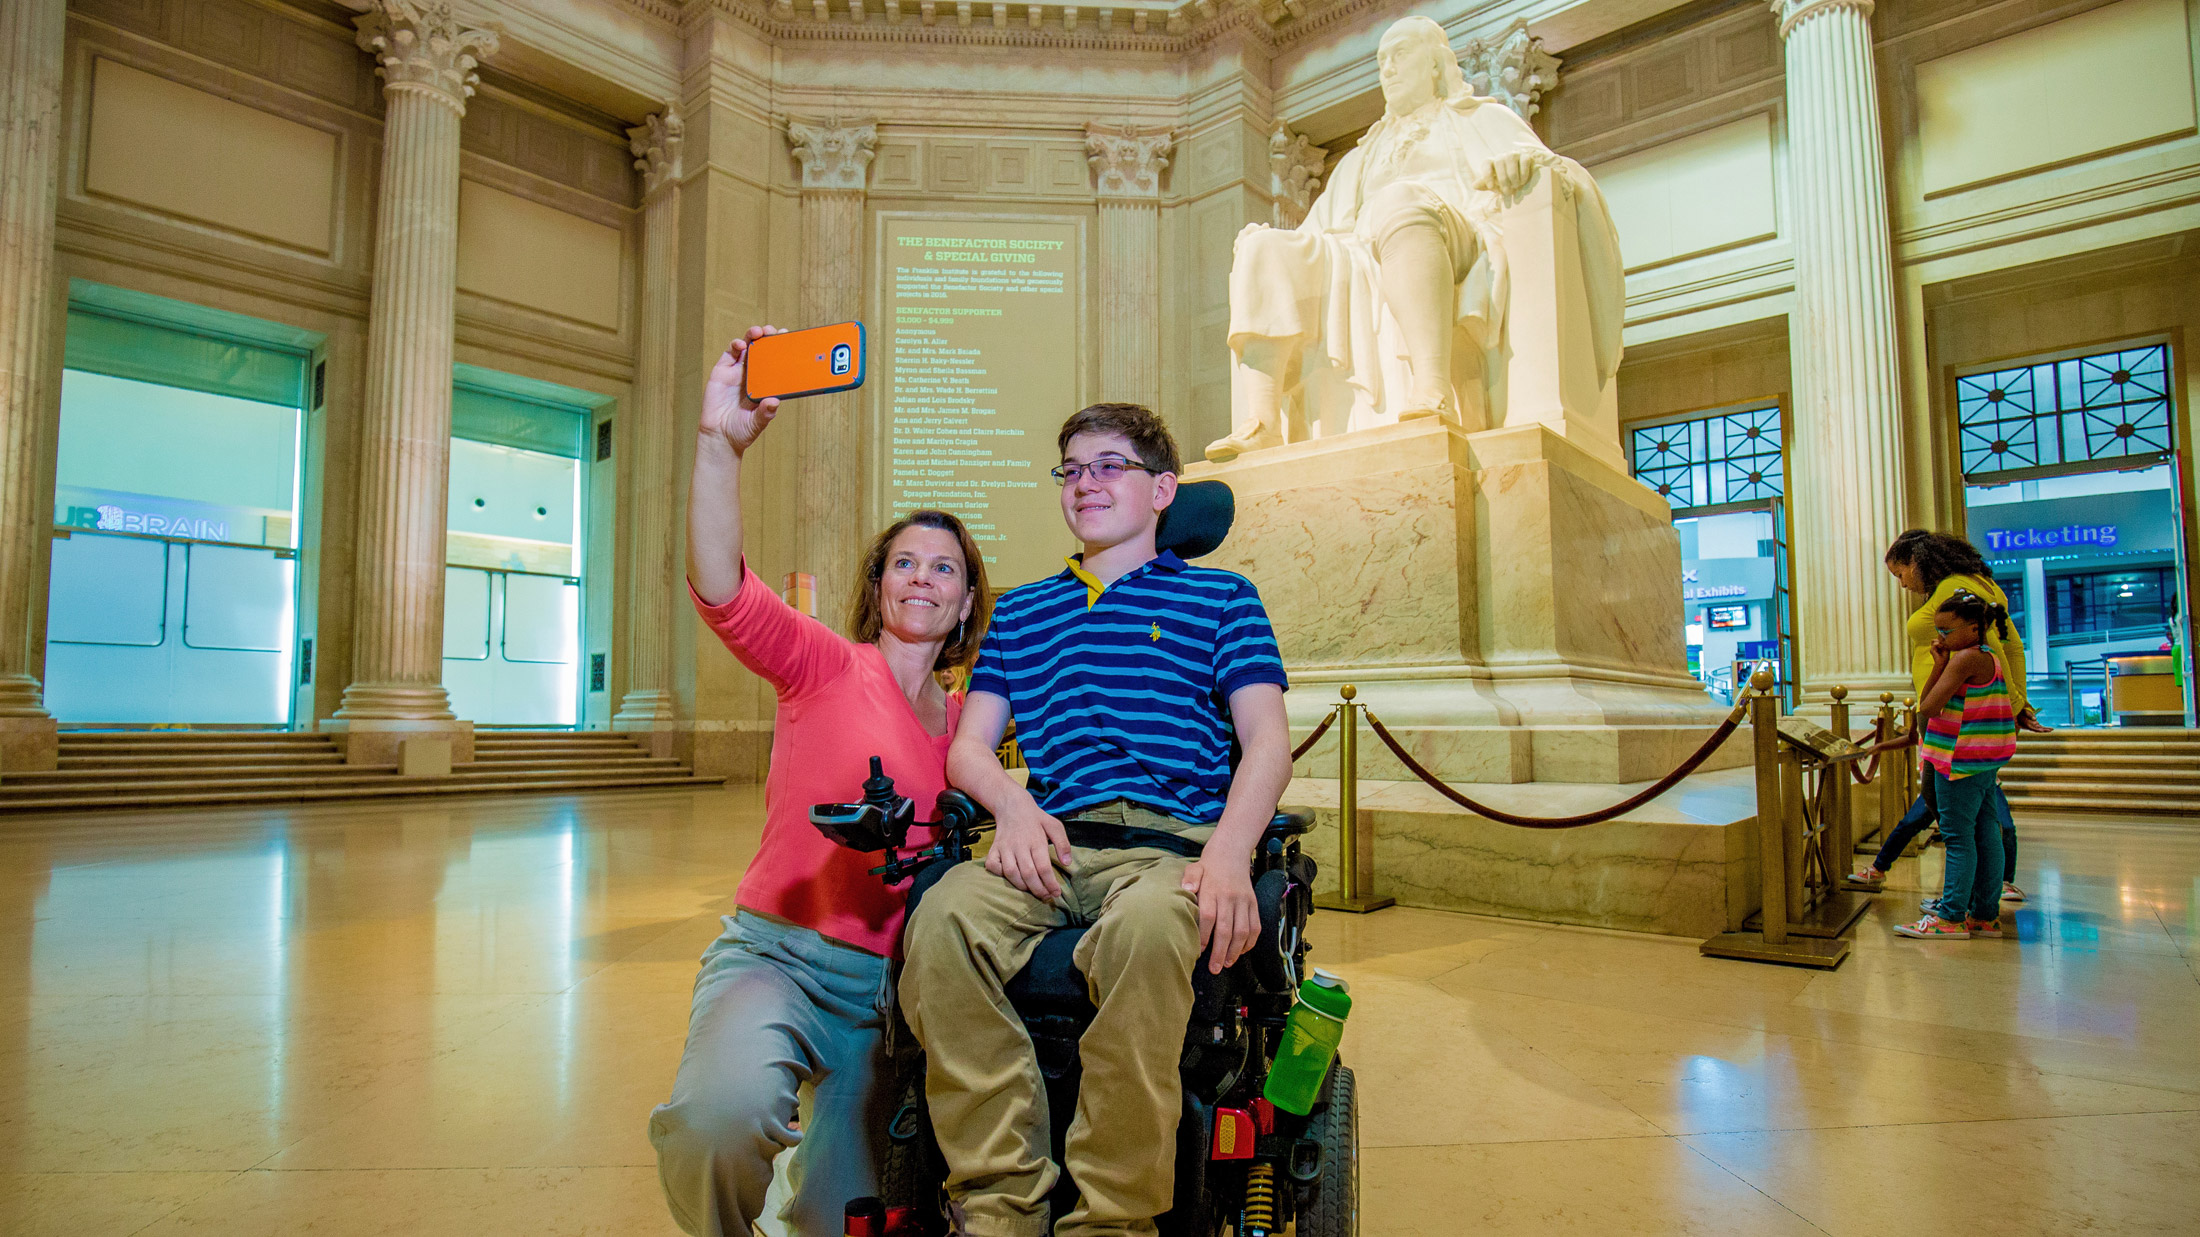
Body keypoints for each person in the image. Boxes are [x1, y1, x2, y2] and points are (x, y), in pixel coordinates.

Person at [898, 403, 1293, 1237]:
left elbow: (1266, 743)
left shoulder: (1222, 598)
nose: (1086, 482)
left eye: (1109, 465)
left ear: (1162, 489)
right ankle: (1003, 1198)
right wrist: (1012, 804)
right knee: (939, 923)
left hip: (1170, 847)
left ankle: (1111, 1218)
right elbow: (971, 750)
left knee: (1149, 931)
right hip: (1054, 840)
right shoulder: (1025, 612)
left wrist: (1228, 855)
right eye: (1072, 468)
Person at [649, 326, 992, 1237]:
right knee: (716, 1124)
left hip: (889, 994)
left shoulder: (971, 726)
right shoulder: (823, 664)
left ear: (964, 604)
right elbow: (722, 584)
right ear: (881, 583)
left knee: (848, 1217)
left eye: (944, 567)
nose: (922, 576)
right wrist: (717, 444)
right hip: (777, 955)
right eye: (905, 562)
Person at [1850, 529, 2039, 901]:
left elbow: (1999, 646)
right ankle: (1980, 907)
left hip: (1954, 721)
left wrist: (2016, 706)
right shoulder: (1976, 584)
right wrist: (2018, 704)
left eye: (1900, 574)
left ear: (1916, 561)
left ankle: (1955, 908)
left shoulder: (1953, 590)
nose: (1903, 585)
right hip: (1957, 718)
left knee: (1955, 824)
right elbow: (2012, 645)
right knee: (1981, 819)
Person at [1894, 590, 2018, 939]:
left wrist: (1939, 666)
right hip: (1981, 759)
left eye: (1946, 630)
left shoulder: (1964, 659)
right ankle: (1983, 913)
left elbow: (1928, 706)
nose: (1940, 638)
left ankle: (1949, 917)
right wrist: (1939, 662)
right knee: (1984, 832)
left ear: (1974, 628)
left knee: (1958, 838)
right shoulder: (1987, 656)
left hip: (1959, 759)